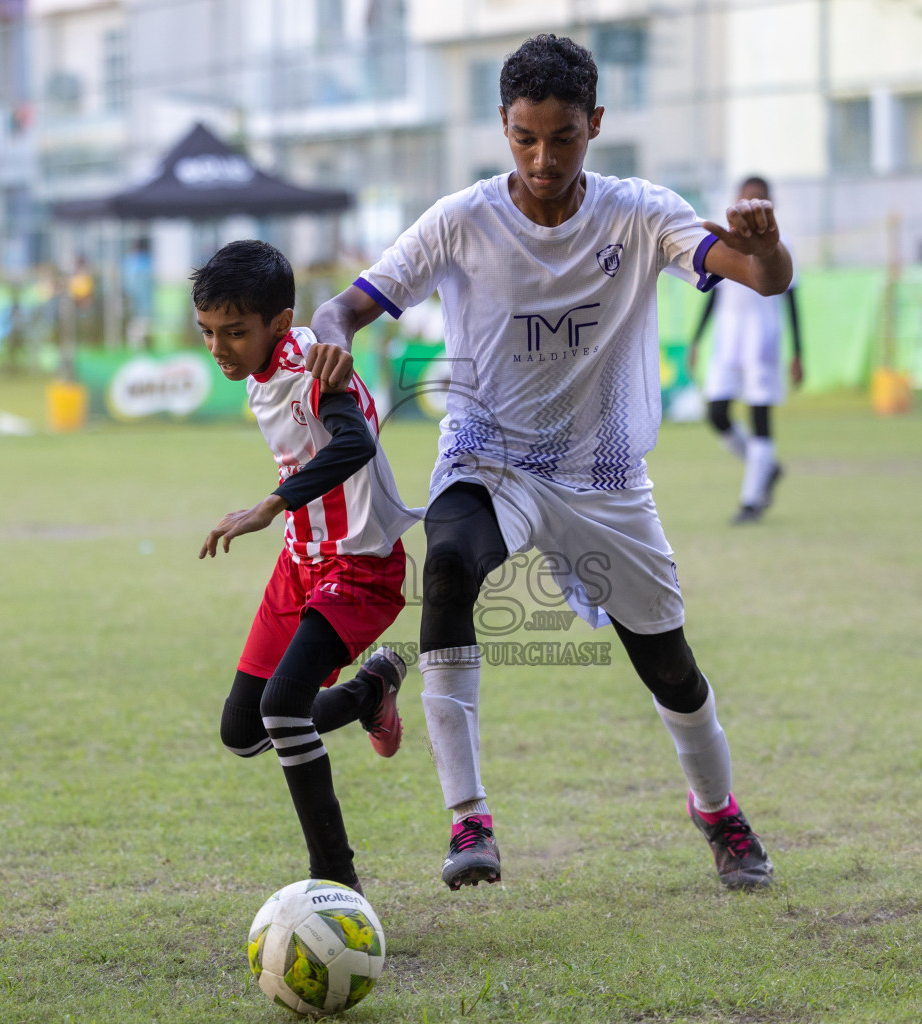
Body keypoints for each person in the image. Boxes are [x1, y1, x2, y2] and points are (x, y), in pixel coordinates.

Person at [309, 34, 791, 891]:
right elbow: (344, 305)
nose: (543, 158)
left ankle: (716, 810)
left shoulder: (639, 212)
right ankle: (470, 821)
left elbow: (761, 277)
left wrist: (766, 246)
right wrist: (334, 341)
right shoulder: (462, 220)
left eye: (563, 136)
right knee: (449, 562)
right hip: (489, 459)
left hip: (605, 478)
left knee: (672, 669)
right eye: (525, 137)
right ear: (502, 125)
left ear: (596, 124)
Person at [194, 240, 420, 892]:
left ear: (278, 321)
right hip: (300, 564)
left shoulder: (313, 366)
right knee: (243, 733)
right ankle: (369, 692)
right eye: (208, 331)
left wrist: (269, 505)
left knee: (285, 707)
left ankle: (337, 885)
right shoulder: (262, 370)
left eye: (235, 332)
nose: (219, 347)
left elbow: (355, 440)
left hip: (358, 568)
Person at [686, 176, 804, 524]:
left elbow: (792, 300)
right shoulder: (723, 242)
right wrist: (696, 340)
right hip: (727, 340)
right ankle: (766, 467)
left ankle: (752, 501)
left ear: (770, 205)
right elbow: (713, 293)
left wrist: (799, 353)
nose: (750, 206)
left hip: (763, 341)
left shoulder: (783, 245)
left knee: (760, 419)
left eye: (758, 200)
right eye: (745, 199)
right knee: (717, 414)